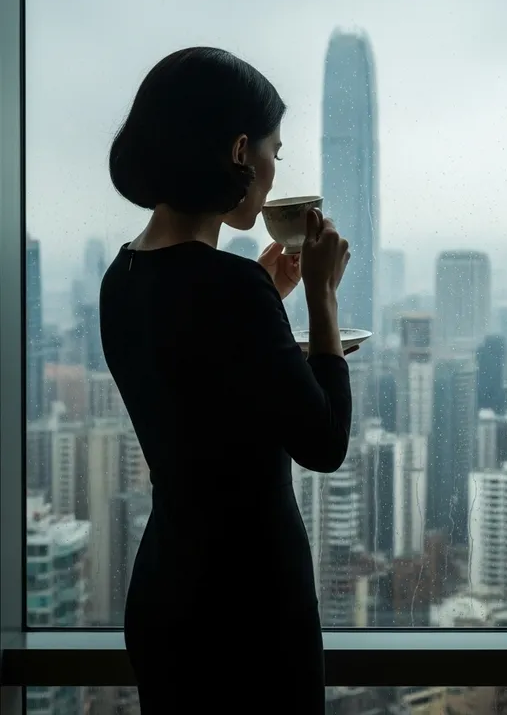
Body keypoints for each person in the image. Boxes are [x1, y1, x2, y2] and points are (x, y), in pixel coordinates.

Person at [99, 47, 353, 713]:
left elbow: (201, 388)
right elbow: (323, 443)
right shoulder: (230, 288)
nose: (275, 171)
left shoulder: (122, 276)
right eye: (274, 150)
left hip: (166, 591)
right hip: (249, 606)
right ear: (240, 151)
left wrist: (265, 298)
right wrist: (322, 298)